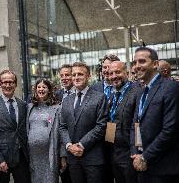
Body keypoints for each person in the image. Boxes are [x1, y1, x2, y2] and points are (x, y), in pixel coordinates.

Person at [131, 47, 179, 183]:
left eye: (142, 61)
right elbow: (136, 124)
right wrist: (136, 153)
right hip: (143, 165)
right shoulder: (143, 91)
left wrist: (145, 156)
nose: (137, 66)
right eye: (135, 62)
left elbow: (170, 130)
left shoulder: (171, 88)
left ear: (155, 64)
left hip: (164, 167)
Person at [59, 62, 108, 183]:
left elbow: (101, 126)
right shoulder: (66, 101)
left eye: (80, 74)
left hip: (92, 158)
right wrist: (69, 146)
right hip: (73, 158)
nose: (76, 77)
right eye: (73, 74)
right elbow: (62, 127)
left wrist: (81, 145)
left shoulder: (100, 97)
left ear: (88, 76)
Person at [0, 70, 30, 183]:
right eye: (5, 82)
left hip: (21, 156)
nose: (8, 85)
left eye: (11, 82)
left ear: (15, 84)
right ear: (0, 84)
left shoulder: (22, 105)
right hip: (2, 156)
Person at [27, 79, 66, 183]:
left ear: (49, 90)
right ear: (35, 90)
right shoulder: (29, 107)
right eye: (39, 87)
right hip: (33, 156)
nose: (41, 89)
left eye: (44, 87)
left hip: (50, 155)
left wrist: (63, 156)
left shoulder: (57, 108)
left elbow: (62, 133)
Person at [108, 61, 139, 183]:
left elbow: (138, 124)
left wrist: (136, 153)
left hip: (129, 152)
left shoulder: (136, 92)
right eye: (111, 73)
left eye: (118, 72)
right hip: (114, 151)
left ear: (126, 73)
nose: (114, 76)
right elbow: (111, 120)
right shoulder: (112, 94)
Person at [90, 54, 119, 183]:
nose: (106, 70)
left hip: (119, 141)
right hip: (99, 142)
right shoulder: (94, 88)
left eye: (109, 67)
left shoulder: (123, 86)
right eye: (104, 67)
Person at [54, 65, 73, 183]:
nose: (64, 78)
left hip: (78, 145)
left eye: (67, 75)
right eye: (62, 75)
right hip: (61, 145)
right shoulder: (56, 95)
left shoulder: (81, 94)